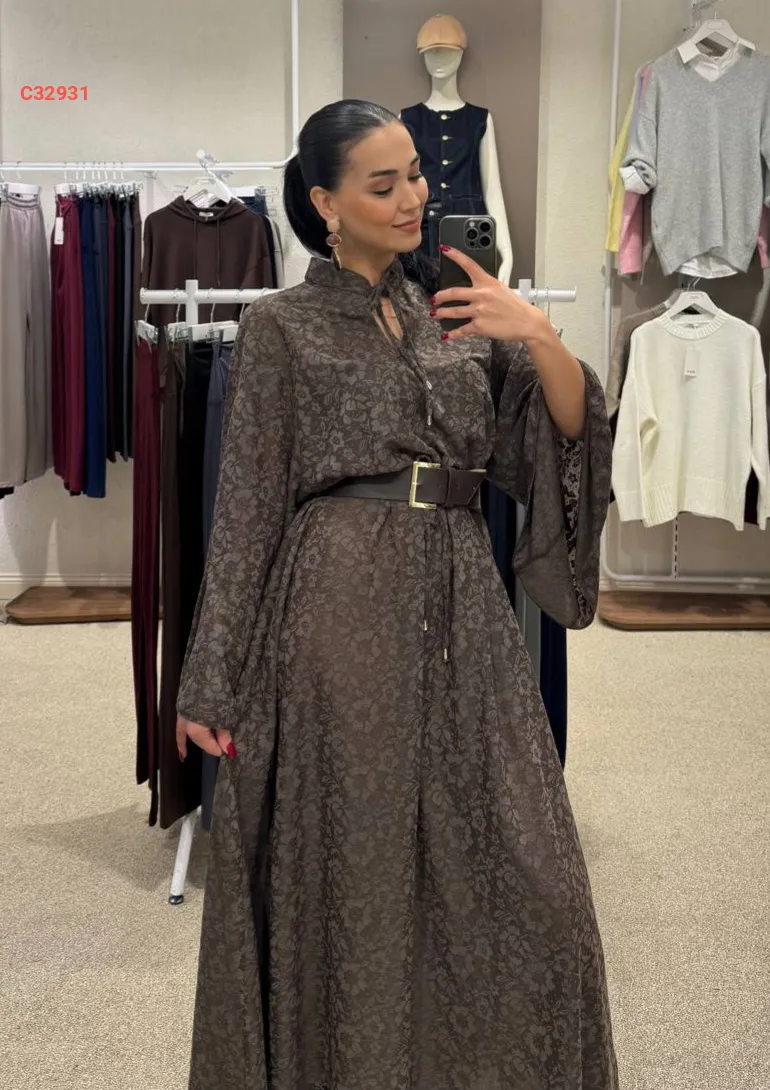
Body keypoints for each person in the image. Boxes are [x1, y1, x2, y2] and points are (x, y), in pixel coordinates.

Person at [176, 99, 618, 1090]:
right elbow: (246, 507)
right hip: (336, 606)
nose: (414, 196)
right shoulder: (280, 327)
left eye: (415, 173)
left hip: (461, 600)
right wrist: (209, 676)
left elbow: (559, 430)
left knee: (531, 869)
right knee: (360, 861)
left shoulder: (455, 310)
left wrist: (537, 333)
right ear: (325, 204)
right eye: (383, 184)